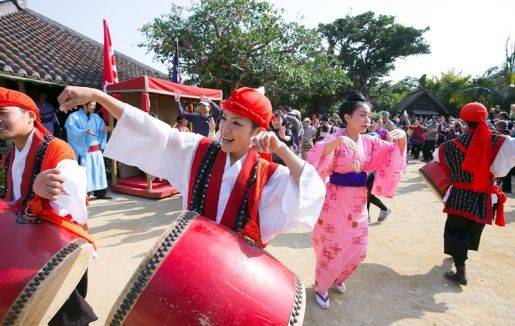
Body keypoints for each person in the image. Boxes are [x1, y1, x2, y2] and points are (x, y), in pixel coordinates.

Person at [57, 86, 325, 248]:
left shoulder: (269, 176)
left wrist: (280, 149)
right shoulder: (198, 151)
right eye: (225, 119)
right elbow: (152, 130)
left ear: (258, 130)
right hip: (191, 256)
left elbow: (311, 188)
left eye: (237, 123)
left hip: (239, 273)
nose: (226, 129)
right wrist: (99, 96)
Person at [0, 87, 97, 325]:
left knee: (67, 312)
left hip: (57, 246)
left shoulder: (55, 148)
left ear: (31, 116)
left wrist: (51, 187)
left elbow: (72, 190)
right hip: (30, 243)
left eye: (3, 113)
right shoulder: (9, 156)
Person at [307, 91, 407, 309]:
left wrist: (401, 138)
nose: (367, 120)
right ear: (347, 118)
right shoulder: (334, 138)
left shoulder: (369, 142)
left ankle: (339, 277)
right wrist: (338, 141)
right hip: (336, 199)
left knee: (358, 247)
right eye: (362, 115)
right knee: (332, 245)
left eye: (369, 116)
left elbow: (391, 151)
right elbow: (316, 155)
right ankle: (322, 286)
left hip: (358, 200)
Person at [433, 102, 514, 286]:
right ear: (485, 118)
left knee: (456, 230)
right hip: (484, 196)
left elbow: (436, 159)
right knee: (472, 229)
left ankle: (461, 271)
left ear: (462, 120)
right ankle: (461, 255)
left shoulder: (448, 147)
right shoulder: (502, 142)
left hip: (459, 195)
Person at [65, 101, 112, 200]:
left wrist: (104, 130)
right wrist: (84, 131)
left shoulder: (96, 117)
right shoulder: (74, 117)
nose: (93, 107)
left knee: (99, 172)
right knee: (85, 173)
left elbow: (101, 128)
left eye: (94, 105)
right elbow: (71, 131)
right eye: (91, 105)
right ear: (84, 105)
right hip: (84, 151)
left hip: (96, 150)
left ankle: (101, 193)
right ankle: (85, 194)